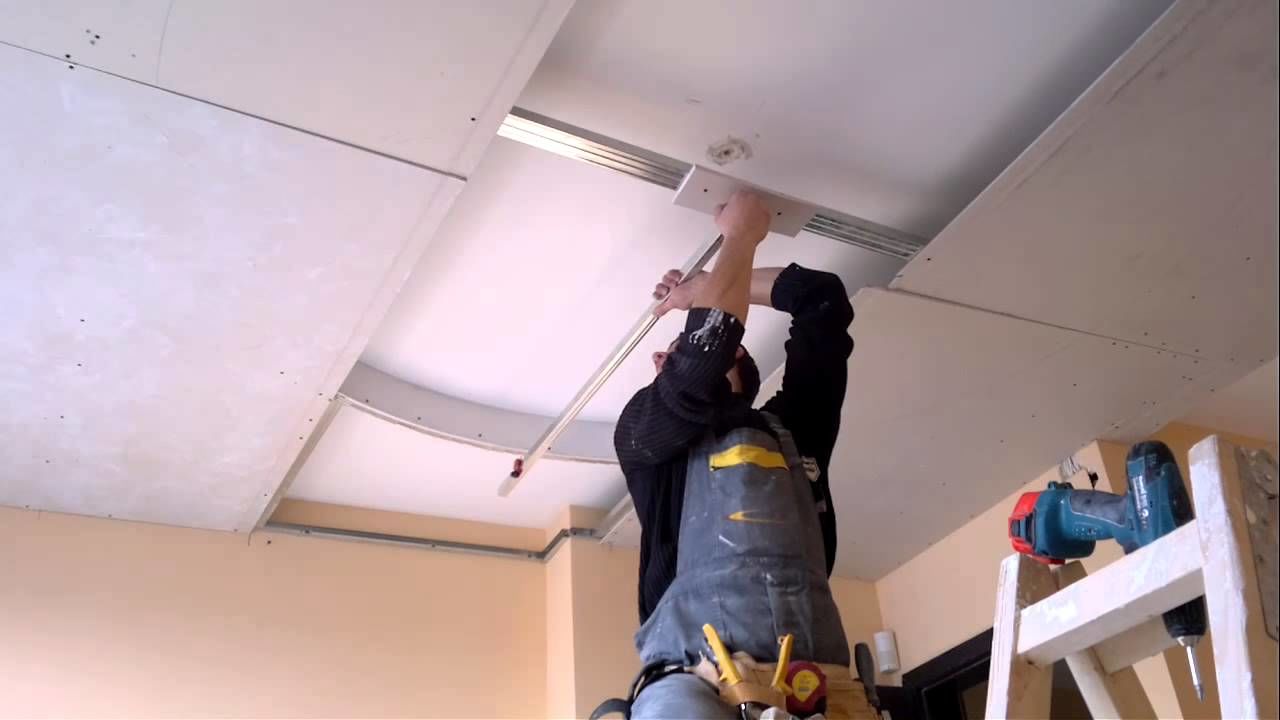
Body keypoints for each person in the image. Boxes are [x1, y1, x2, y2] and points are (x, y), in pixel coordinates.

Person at [597, 190, 858, 718]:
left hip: (812, 678)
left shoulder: (795, 428)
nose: (663, 355)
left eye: (676, 347)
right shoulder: (647, 440)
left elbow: (822, 301)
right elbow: (701, 360)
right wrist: (739, 238)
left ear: (739, 352)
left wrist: (706, 286)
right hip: (696, 677)